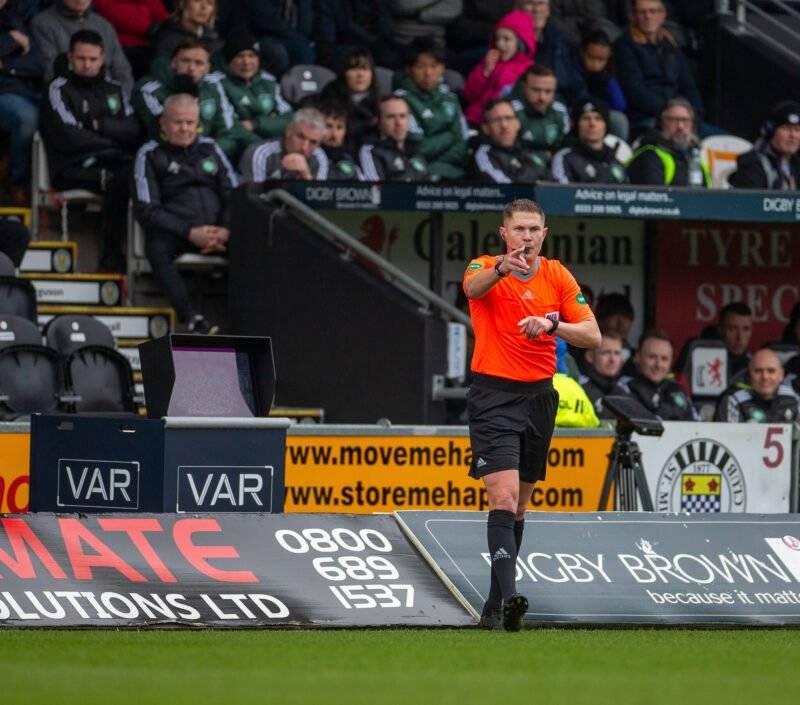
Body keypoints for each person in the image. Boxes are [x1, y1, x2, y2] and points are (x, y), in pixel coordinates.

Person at [462, 198, 600, 630]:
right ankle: (513, 595)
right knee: (501, 497)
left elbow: (592, 336)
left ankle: (493, 606)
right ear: (505, 234)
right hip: (494, 396)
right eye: (519, 229)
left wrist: (553, 325)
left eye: (534, 229)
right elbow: (471, 289)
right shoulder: (484, 266)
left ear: (545, 234)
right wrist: (502, 268)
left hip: (540, 398)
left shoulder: (557, 274)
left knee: (518, 507)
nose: (526, 237)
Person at [133, 93, 238, 334]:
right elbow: (147, 209)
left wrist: (225, 229)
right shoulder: (149, 154)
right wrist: (190, 232)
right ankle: (191, 317)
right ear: (163, 123)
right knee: (156, 248)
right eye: (178, 122)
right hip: (179, 231)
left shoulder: (211, 148)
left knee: (253, 248)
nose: (185, 129)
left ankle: (248, 320)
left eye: (190, 123)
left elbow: (233, 193)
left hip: (219, 231)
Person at [39, 29, 140, 271]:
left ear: (102, 58)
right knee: (122, 179)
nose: (87, 64)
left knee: (131, 176)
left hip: (113, 161)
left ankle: (116, 256)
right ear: (70, 58)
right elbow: (68, 136)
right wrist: (112, 140)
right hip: (72, 166)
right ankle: (112, 255)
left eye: (93, 59)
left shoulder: (114, 89)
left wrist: (99, 125)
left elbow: (134, 130)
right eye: (81, 58)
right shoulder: (58, 89)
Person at [133, 38, 243, 158]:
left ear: (207, 68)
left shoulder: (213, 86)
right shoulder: (149, 90)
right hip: (165, 160)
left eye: (199, 63)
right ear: (174, 62)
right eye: (185, 61)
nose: (191, 68)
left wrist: (208, 154)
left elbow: (229, 134)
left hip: (210, 156)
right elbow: (166, 134)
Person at [614, 0, 703, 135]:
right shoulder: (624, 45)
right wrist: (669, 111)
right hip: (647, 118)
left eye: (653, 11)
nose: (648, 16)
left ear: (663, 15)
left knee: (722, 140)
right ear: (632, 16)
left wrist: (695, 113)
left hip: (680, 116)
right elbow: (634, 89)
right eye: (642, 12)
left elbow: (688, 85)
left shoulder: (671, 44)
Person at [394, 36, 469, 180]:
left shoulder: (451, 98)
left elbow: (462, 144)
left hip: (454, 174)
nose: (428, 73)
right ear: (409, 70)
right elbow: (417, 148)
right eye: (420, 67)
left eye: (434, 66)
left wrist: (438, 167)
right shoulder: (400, 101)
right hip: (418, 175)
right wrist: (449, 136)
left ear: (442, 68)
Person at [31, 0, 134, 94]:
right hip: (69, 100)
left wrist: (118, 100)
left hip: (109, 99)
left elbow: (122, 70)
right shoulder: (43, 24)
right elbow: (50, 72)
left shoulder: (103, 25)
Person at [0, 0, 43, 205]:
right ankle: (16, 182)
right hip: (7, 95)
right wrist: (10, 40)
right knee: (26, 117)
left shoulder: (16, 18)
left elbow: (38, 63)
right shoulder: (14, 29)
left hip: (19, 91)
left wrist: (6, 66)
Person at [462, 9, 536, 127]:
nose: (500, 44)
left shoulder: (528, 70)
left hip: (502, 124)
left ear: (521, 43)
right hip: (475, 119)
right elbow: (469, 95)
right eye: (497, 39)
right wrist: (485, 72)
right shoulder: (490, 62)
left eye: (506, 39)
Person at [221, 31, 293, 147]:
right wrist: (271, 122)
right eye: (240, 56)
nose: (246, 62)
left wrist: (255, 124)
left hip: (271, 146)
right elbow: (233, 128)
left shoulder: (269, 81)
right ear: (229, 61)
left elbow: (289, 119)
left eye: (251, 55)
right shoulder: (220, 84)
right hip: (242, 148)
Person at [618, 328, 698, 421]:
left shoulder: (677, 389)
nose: (658, 364)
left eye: (664, 359)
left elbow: (699, 426)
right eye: (652, 357)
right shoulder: (622, 387)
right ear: (637, 356)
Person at [627, 97, 710, 187]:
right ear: (661, 123)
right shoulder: (649, 155)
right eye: (673, 120)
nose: (680, 126)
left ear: (693, 125)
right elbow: (655, 197)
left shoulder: (695, 156)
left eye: (685, 120)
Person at [470, 97, 550, 184]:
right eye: (497, 120)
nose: (504, 125)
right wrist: (536, 172)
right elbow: (507, 190)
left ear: (518, 124)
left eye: (508, 118)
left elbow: (555, 184)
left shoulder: (529, 150)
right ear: (486, 128)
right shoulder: (483, 155)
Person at [239, 107, 329, 182]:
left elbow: (319, 202)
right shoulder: (260, 154)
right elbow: (252, 198)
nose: (304, 147)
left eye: (313, 142)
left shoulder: (319, 157)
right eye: (300, 137)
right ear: (289, 130)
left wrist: (306, 176)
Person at [318, 47, 382, 151]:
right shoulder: (329, 96)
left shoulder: (380, 103)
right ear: (343, 72)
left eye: (365, 68)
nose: (360, 75)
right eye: (354, 69)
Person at [551, 99, 627, 184]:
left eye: (598, 119)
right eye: (586, 118)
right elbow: (561, 193)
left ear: (606, 125)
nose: (592, 124)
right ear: (576, 125)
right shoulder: (565, 158)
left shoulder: (616, 162)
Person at [313, 0, 403, 71]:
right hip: (343, 47)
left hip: (376, 47)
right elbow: (326, 40)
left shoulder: (378, 3)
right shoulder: (330, 2)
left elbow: (386, 28)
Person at [714, 348, 799, 423]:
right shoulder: (734, 401)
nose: (765, 377)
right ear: (749, 375)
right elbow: (727, 438)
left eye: (771, 371)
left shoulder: (795, 399)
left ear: (781, 375)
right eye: (758, 371)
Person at [729, 101, 800, 191]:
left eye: (797, 130)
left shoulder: (795, 163)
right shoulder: (753, 163)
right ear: (770, 131)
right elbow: (752, 202)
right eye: (786, 129)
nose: (793, 136)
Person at [359, 95, 430, 181]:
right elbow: (376, 190)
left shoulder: (416, 150)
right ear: (378, 121)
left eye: (402, 116)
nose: (398, 123)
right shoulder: (370, 151)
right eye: (391, 117)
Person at [93, 0, 169, 79]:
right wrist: (147, 27)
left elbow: (159, 12)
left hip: (152, 42)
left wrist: (165, 25)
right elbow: (110, 10)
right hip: (124, 45)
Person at [574, 30, 628, 140]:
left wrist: (608, 82)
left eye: (600, 60)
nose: (595, 64)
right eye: (591, 57)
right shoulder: (573, 70)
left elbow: (620, 105)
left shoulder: (607, 77)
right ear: (582, 52)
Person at [508, 64, 568, 162]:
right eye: (536, 90)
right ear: (524, 87)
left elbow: (564, 147)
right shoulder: (510, 110)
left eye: (548, 91)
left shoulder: (560, 111)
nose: (542, 98)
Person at [241, 0, 315, 78]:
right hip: (263, 36)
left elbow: (307, 25)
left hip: (295, 39)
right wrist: (300, 39)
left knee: (306, 53)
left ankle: (294, 86)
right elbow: (267, 21)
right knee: (279, 53)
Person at [578, 331, 628, 418]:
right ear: (590, 356)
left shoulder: (625, 389)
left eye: (617, 353)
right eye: (606, 352)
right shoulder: (579, 388)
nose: (612, 359)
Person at [151, 0, 222, 61]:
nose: (204, 7)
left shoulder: (214, 41)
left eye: (210, 3)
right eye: (197, 1)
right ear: (182, 4)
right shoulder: (166, 38)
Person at [311, 97, 362, 180]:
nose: (334, 133)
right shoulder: (309, 154)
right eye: (328, 126)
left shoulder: (353, 157)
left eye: (339, 127)